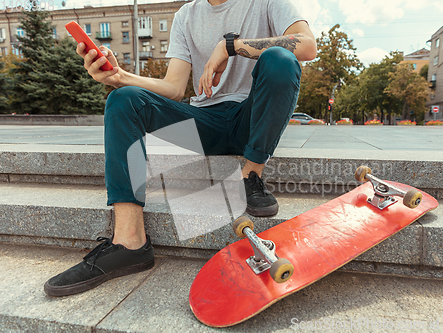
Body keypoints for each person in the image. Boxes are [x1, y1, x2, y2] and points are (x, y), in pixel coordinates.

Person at [44, 0, 316, 297]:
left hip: (251, 120)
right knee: (123, 100)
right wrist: (120, 77)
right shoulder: (186, 15)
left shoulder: (266, 3)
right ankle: (129, 241)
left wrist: (230, 46)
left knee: (281, 58)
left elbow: (306, 46)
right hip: (203, 124)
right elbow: (174, 88)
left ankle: (251, 176)